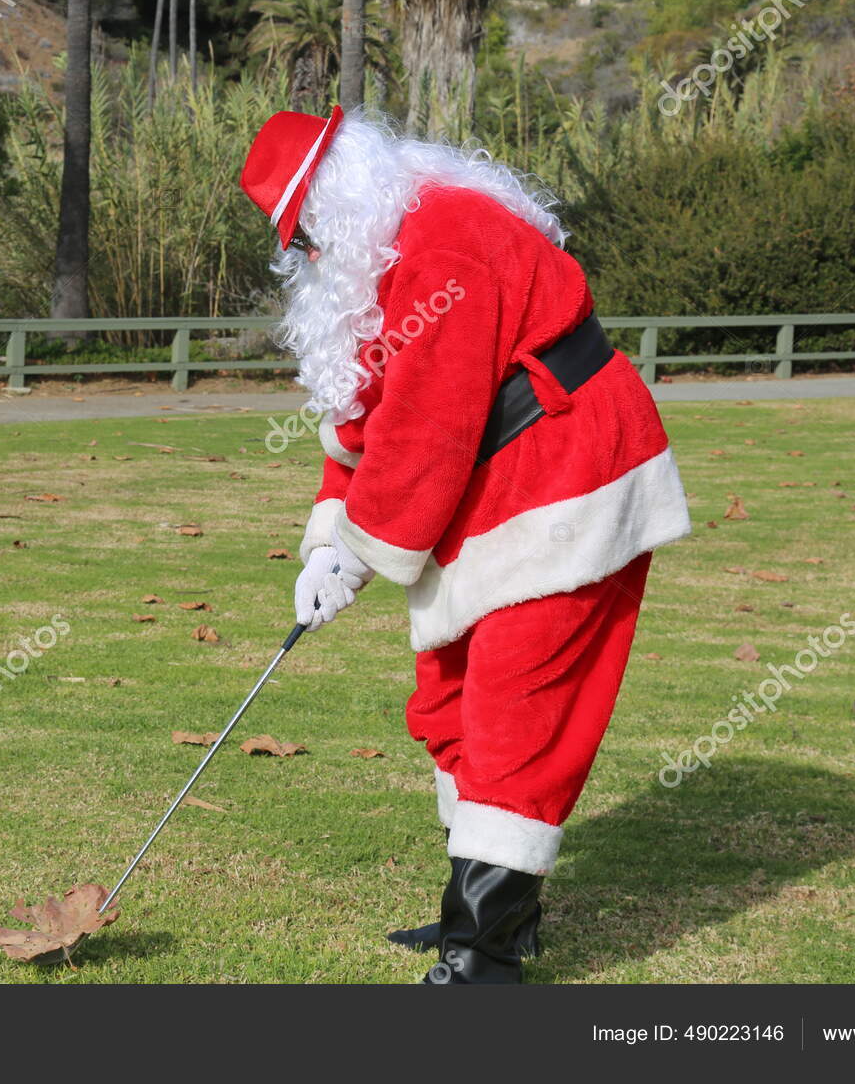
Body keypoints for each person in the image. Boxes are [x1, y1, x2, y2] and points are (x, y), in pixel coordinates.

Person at [239, 107, 691, 984]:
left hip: (569, 473)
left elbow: (426, 429)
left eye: (308, 234)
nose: (307, 257)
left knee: (518, 704)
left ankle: (481, 957)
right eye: (295, 243)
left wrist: (356, 554)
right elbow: (366, 419)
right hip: (495, 483)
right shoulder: (382, 263)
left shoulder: (442, 244)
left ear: (344, 200)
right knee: (448, 698)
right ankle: (485, 918)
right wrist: (326, 535)